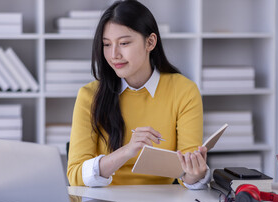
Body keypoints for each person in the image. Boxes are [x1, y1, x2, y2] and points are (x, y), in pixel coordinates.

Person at [67, 0, 210, 189]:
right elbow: (75, 176)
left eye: (124, 43)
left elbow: (186, 176)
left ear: (150, 42)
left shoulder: (183, 91)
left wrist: (196, 174)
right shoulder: (89, 95)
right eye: (107, 44)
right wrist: (127, 151)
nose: (114, 54)